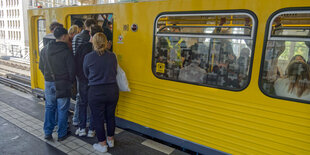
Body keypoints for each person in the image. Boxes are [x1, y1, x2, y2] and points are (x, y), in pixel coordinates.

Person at [83, 33, 118, 153]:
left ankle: (102, 145)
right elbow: (115, 72)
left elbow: (86, 74)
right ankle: (110, 140)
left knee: (98, 118)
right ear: (106, 41)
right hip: (112, 90)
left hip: (96, 91)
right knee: (110, 116)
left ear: (93, 42)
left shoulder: (88, 57)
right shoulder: (112, 56)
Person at [39, 27, 75, 141]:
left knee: (49, 107)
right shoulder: (66, 51)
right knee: (62, 109)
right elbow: (72, 71)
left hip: (49, 82)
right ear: (64, 36)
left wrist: (48, 77)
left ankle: (48, 132)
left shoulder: (45, 50)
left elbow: (41, 66)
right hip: (63, 83)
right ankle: (61, 134)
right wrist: (70, 81)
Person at [74, 25, 103, 137]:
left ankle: (82, 128)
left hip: (82, 80)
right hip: (95, 82)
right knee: (94, 106)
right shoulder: (102, 51)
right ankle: (91, 129)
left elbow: (76, 63)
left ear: (90, 34)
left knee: (82, 103)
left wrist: (79, 77)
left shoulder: (82, 47)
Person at [72, 18, 97, 126]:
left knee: (80, 96)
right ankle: (86, 121)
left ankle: (76, 119)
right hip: (87, 72)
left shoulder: (76, 37)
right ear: (91, 26)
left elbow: (75, 54)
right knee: (87, 98)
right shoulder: (89, 39)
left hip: (78, 71)